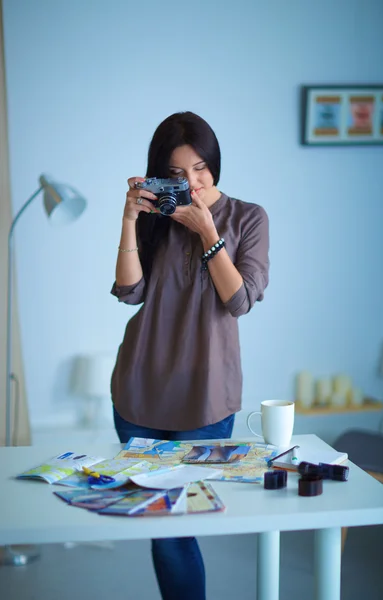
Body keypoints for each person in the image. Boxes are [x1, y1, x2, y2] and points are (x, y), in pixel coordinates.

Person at [110, 111, 269, 600]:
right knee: (163, 526)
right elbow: (129, 291)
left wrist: (206, 230)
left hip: (205, 396)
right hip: (140, 388)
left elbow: (238, 301)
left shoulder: (248, 217)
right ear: (160, 174)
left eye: (201, 168)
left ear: (215, 164)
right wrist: (130, 218)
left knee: (179, 527)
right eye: (177, 174)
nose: (192, 182)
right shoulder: (157, 218)